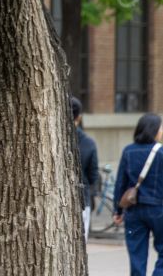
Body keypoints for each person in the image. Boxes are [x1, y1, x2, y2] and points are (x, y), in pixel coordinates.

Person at [113, 113, 163, 276]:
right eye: (161, 127)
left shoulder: (128, 151)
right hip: (159, 209)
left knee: (137, 255)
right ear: (154, 130)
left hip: (134, 210)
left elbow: (120, 184)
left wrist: (118, 211)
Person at [71, 96, 99, 241]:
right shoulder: (88, 143)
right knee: (79, 243)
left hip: (54, 199)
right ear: (79, 117)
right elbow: (93, 175)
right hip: (82, 196)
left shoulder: (50, 139)